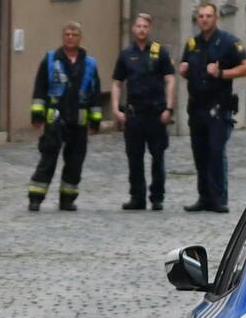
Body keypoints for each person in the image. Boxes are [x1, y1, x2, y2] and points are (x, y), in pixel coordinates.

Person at [179, 2, 246, 214]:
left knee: (215, 151)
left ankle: (219, 198)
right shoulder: (192, 44)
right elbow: (188, 68)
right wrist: (184, 71)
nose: (204, 19)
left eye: (208, 16)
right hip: (196, 107)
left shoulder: (228, 42)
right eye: (201, 16)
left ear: (216, 18)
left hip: (218, 107)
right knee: (199, 153)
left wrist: (222, 74)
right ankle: (204, 196)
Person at [26, 22, 106, 212]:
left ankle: (67, 199)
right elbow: (40, 88)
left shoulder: (89, 63)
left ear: (80, 38)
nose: (70, 37)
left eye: (74, 34)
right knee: (48, 159)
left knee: (75, 162)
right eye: (67, 34)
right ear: (63, 37)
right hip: (55, 118)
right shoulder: (51, 59)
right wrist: (37, 115)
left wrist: (95, 121)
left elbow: (95, 94)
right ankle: (36, 197)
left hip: (79, 119)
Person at [112, 12, 178, 211]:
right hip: (134, 114)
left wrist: (169, 107)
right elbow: (117, 82)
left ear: (149, 29)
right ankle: (137, 197)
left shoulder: (160, 52)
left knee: (157, 157)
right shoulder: (126, 54)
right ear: (133, 28)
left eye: (145, 27)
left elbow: (170, 80)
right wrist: (115, 108)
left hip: (156, 114)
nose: (141, 30)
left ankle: (157, 197)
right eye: (138, 26)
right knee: (134, 157)